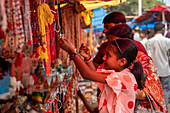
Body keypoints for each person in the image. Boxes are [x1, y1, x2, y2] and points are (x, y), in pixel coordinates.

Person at [80, 24, 166, 112]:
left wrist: (127, 91)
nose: (109, 43)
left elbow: (153, 92)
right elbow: (96, 75)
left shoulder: (140, 60)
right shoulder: (114, 61)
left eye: (112, 40)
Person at [59, 37, 144, 113]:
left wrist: (73, 53)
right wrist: (88, 59)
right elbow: (95, 75)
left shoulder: (124, 77)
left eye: (108, 55)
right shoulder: (118, 75)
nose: (103, 58)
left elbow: (87, 74)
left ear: (122, 62)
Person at [146, 22, 170, 112]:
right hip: (165, 70)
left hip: (154, 71)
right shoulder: (168, 41)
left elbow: (149, 57)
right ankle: (165, 109)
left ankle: (156, 109)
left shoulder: (149, 41)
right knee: (165, 91)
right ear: (163, 29)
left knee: (154, 92)